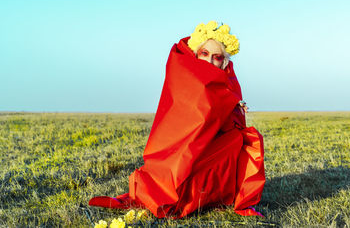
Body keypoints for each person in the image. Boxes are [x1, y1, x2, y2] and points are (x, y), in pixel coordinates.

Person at [89, 21, 265, 218]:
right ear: (196, 53)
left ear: (224, 62)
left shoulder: (226, 83)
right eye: (204, 54)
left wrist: (232, 106)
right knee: (173, 184)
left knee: (241, 140)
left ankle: (215, 196)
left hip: (206, 152)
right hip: (179, 155)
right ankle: (177, 193)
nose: (208, 62)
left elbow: (224, 121)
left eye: (216, 57)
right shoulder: (184, 75)